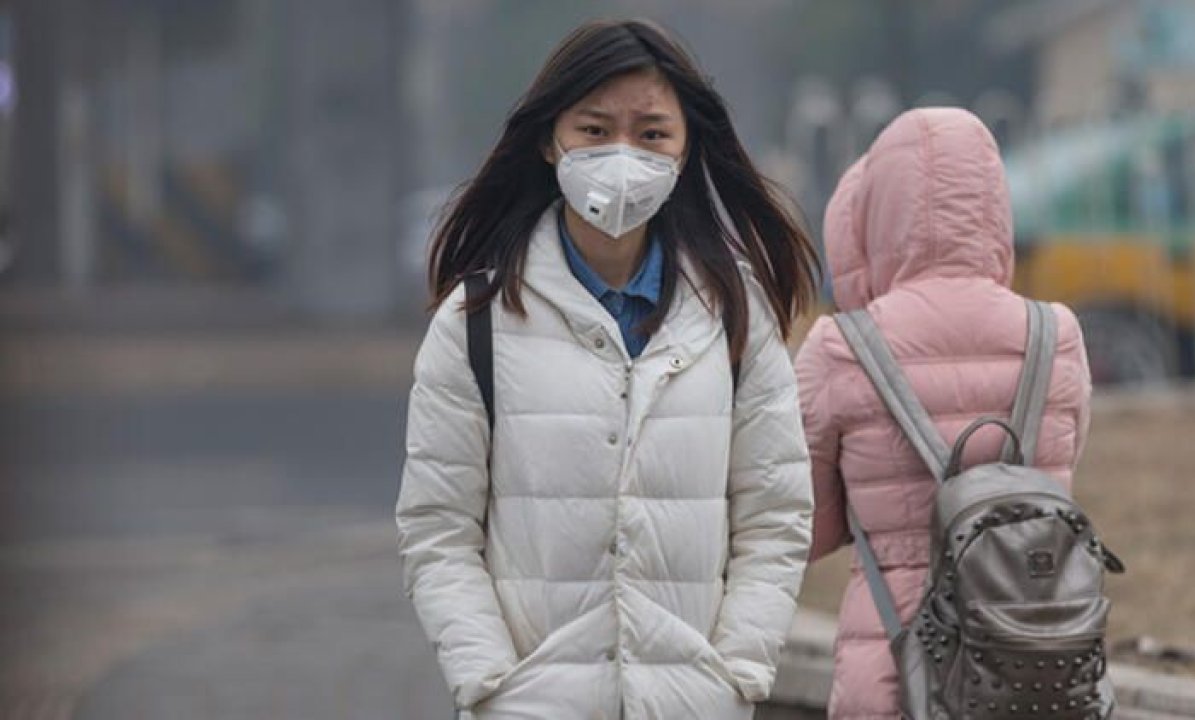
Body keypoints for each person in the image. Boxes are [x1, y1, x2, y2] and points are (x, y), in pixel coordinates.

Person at [396, 19, 820, 720]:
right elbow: (438, 530)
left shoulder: (735, 317)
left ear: (686, 150)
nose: (623, 155)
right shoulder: (478, 321)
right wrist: (492, 680)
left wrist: (737, 671)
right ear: (548, 139)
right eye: (595, 130)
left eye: (652, 133)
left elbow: (775, 517)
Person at [794, 108, 1093, 719]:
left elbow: (807, 529)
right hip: (1035, 666)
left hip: (898, 669)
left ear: (873, 214)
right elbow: (1052, 482)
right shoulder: (1055, 334)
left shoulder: (840, 347)